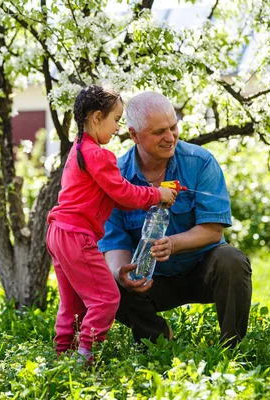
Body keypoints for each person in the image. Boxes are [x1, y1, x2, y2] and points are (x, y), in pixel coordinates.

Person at [98, 91, 253, 347]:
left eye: (173, 127)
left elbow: (213, 231)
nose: (170, 137)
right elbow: (115, 242)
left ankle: (232, 349)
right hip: (150, 279)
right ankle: (157, 338)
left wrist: (173, 243)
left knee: (232, 260)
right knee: (105, 280)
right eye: (159, 132)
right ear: (134, 135)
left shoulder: (200, 162)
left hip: (202, 270)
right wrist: (119, 273)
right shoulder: (116, 177)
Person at [46, 86, 177, 361]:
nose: (118, 128)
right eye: (115, 119)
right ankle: (85, 357)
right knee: (106, 298)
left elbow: (110, 195)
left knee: (73, 303)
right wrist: (156, 194)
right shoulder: (99, 154)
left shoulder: (79, 150)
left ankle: (62, 357)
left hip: (59, 233)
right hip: (77, 235)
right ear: (96, 118)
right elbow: (122, 192)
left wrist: (150, 197)